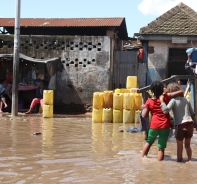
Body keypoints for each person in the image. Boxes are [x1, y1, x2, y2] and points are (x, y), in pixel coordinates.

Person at [141, 81, 184, 161]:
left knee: (149, 142)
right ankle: (160, 164)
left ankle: (143, 159)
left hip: (154, 126)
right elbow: (181, 92)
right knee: (161, 148)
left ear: (152, 90)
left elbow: (144, 116)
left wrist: (144, 107)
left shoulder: (149, 101)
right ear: (162, 89)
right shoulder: (166, 97)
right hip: (165, 126)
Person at [160, 83, 197, 162]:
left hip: (180, 125)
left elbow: (165, 111)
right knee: (187, 146)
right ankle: (190, 160)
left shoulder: (173, 100)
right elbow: (193, 114)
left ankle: (179, 162)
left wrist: (162, 101)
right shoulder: (186, 99)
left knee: (179, 147)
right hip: (190, 124)